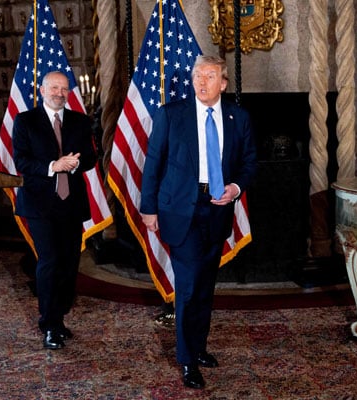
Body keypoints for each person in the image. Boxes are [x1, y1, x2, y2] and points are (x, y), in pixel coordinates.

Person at [140, 55, 257, 389]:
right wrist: (149, 209)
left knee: (205, 284)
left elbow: (249, 163)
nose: (201, 82)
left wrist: (235, 187)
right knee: (188, 286)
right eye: (197, 76)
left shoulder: (239, 117)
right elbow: (153, 164)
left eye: (209, 76)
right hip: (180, 210)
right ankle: (188, 360)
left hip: (218, 209)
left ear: (222, 83)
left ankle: (199, 347)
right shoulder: (171, 114)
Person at [12, 71, 98, 350]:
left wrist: (77, 162)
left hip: (71, 204)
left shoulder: (80, 121)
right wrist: (53, 166)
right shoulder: (25, 121)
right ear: (42, 90)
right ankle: (49, 324)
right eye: (54, 88)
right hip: (40, 204)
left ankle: (58, 318)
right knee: (49, 262)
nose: (60, 93)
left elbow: (91, 158)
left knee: (69, 263)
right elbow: (22, 162)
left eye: (64, 89)